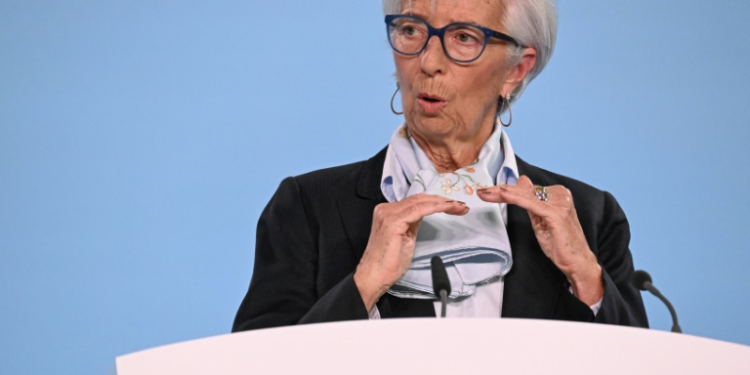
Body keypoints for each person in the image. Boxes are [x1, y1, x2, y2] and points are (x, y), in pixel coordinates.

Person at [232, 0, 648, 331]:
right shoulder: (306, 207)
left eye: (463, 37)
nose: (428, 62)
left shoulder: (591, 218)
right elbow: (254, 364)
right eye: (411, 30)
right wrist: (363, 287)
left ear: (517, 70)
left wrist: (587, 279)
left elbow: (644, 365)